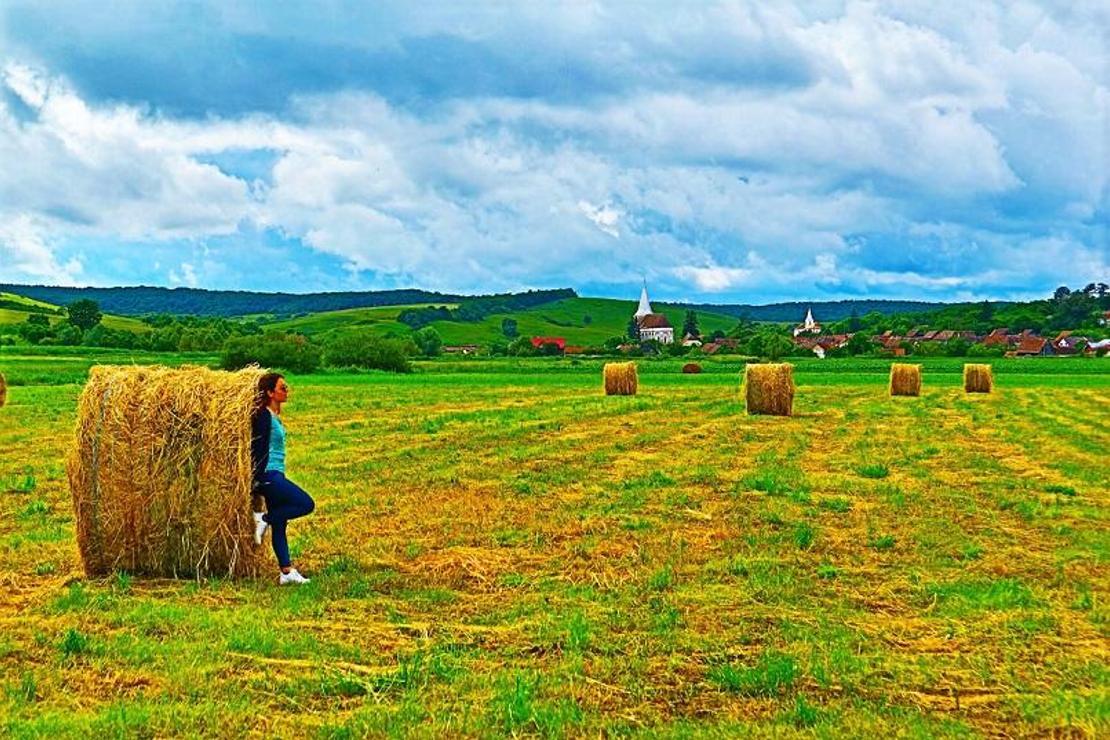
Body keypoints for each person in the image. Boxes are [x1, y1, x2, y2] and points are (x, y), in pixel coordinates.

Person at [250, 372, 315, 585]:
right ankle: (263, 519)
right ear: (270, 392)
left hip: (277, 472)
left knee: (281, 523)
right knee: (305, 504)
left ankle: (286, 572)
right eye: (282, 388)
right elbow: (255, 446)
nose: (287, 391)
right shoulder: (263, 416)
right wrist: (255, 478)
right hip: (268, 474)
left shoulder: (275, 416)